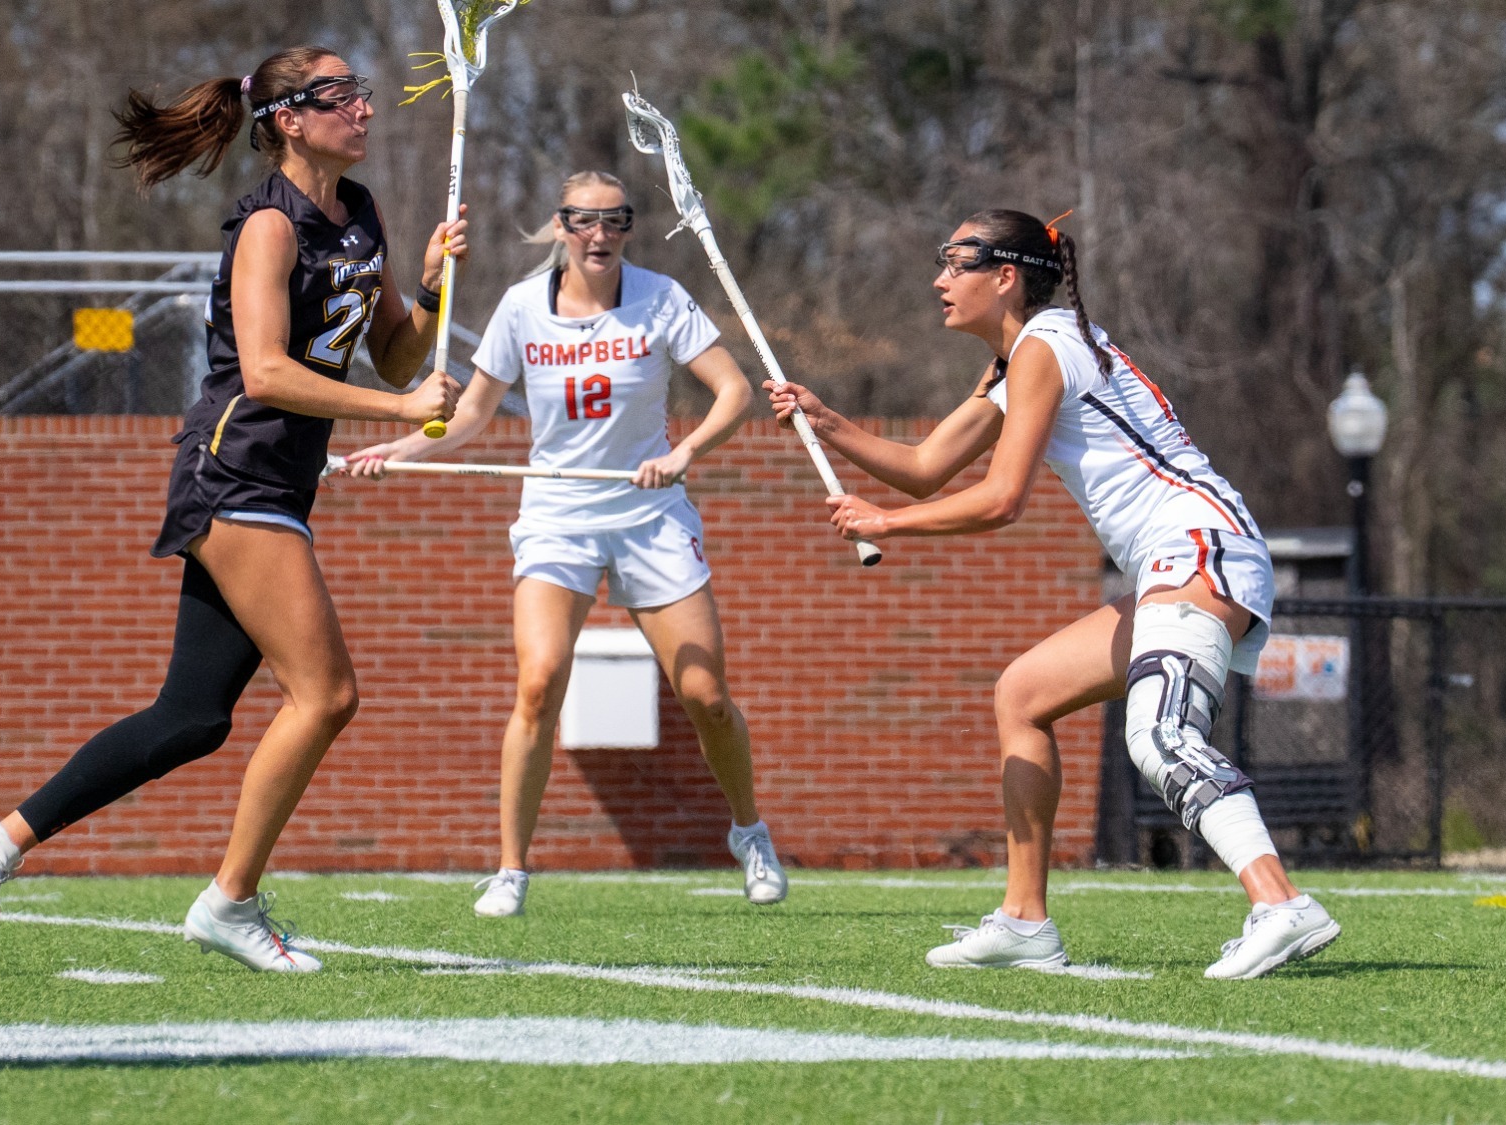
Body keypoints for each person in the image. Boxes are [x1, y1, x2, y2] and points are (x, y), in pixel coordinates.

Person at [0, 46, 466, 972]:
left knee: (193, 716)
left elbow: (390, 354)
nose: (367, 110)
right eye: (344, 96)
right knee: (327, 693)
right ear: (291, 119)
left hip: (279, 483)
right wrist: (400, 413)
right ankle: (231, 899)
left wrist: (424, 287)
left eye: (364, 93)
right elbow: (265, 371)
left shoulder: (364, 214)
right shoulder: (270, 225)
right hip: (235, 473)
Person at [765, 209, 1338, 979]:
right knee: (1023, 694)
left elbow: (1003, 499)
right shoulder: (1017, 357)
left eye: (954, 262)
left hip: (1200, 543)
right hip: (1174, 557)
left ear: (1004, 276)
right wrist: (826, 420)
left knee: (1159, 737)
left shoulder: (1043, 347)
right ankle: (1025, 921)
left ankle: (1280, 902)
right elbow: (930, 462)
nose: (938, 279)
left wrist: (889, 524)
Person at [345, 171, 786, 916]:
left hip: (650, 513)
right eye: (585, 220)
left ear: (628, 229)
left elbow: (735, 393)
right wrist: (401, 450)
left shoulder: (660, 299)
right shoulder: (521, 307)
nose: (600, 234)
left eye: (616, 220)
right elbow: (472, 416)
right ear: (560, 227)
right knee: (540, 679)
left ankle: (750, 831)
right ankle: (512, 867)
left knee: (706, 693)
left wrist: (686, 455)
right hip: (557, 516)